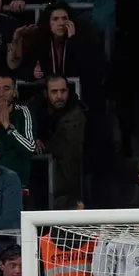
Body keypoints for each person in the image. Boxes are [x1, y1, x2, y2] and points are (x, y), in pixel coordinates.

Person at [28, 74, 84, 209]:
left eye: (63, 91)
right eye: (54, 91)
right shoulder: (33, 108)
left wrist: (40, 146)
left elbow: (62, 146)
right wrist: (32, 138)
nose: (59, 96)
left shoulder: (75, 112)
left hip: (65, 178)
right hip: (38, 176)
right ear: (46, 93)